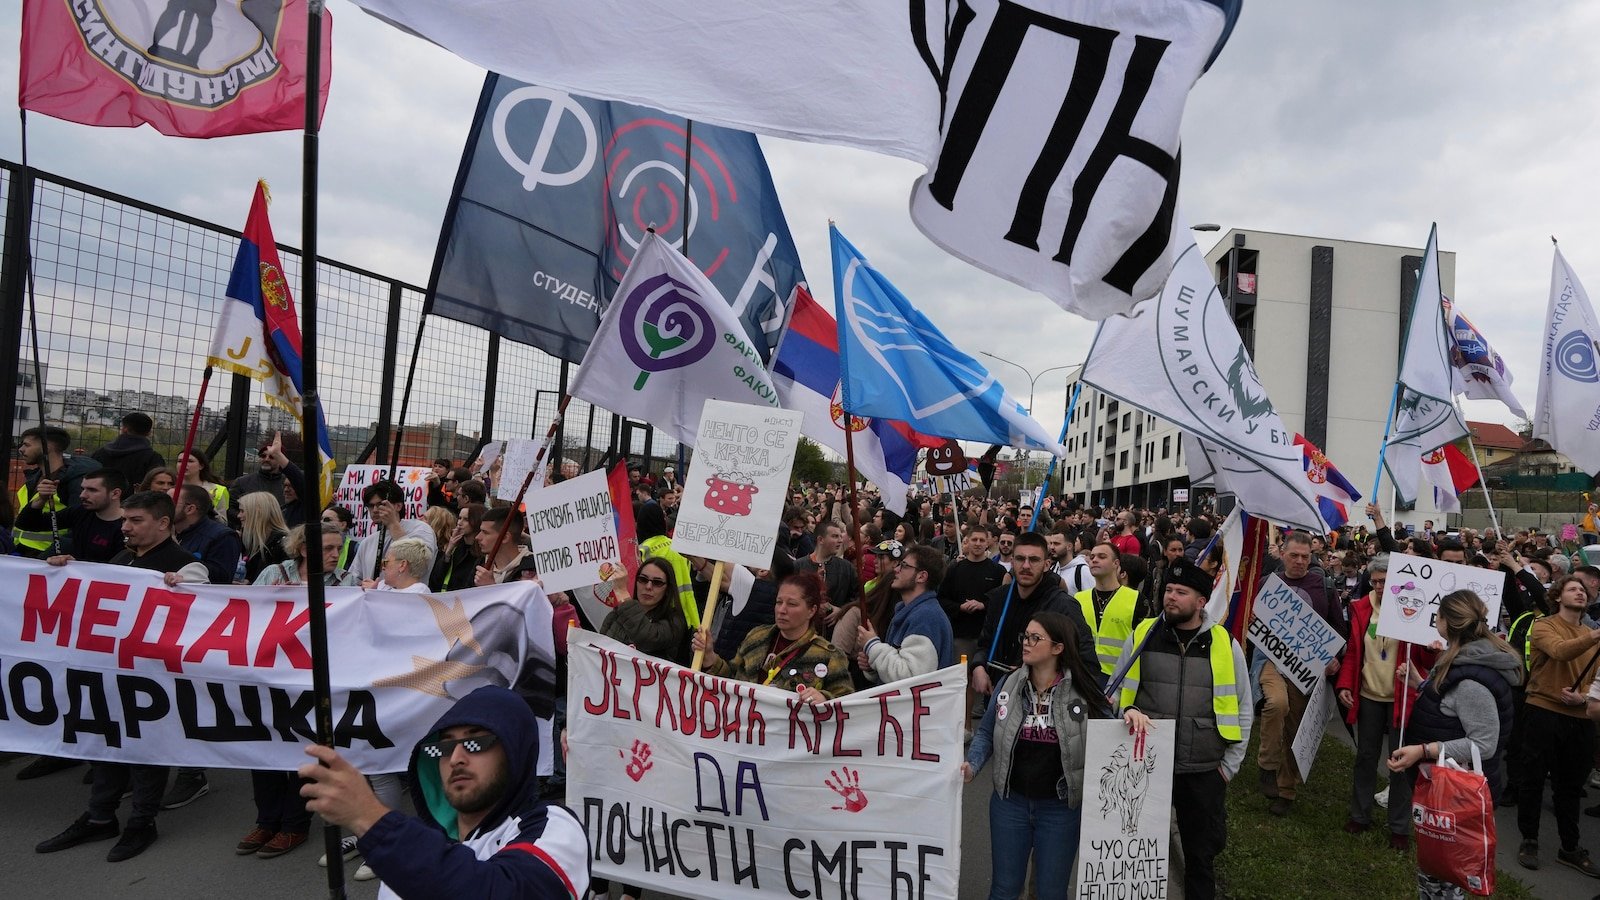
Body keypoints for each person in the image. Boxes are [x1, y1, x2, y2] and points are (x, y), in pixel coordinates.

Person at [35, 491, 208, 862]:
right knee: (106, 746)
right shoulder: (120, 558)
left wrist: (186, 590)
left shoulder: (185, 567)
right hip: (110, 677)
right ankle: (100, 816)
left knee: (147, 753)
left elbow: (205, 617)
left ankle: (141, 823)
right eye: (125, 520)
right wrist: (64, 570)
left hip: (154, 683)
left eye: (135, 521)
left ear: (163, 523)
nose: (125, 527)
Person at [297, 685, 590, 898]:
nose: (456, 758)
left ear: (516, 751)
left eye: (476, 742)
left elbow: (501, 891)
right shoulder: (418, 849)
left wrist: (372, 819)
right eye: (444, 746)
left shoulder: (553, 827)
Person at [1116, 557, 1253, 900]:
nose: (1171, 597)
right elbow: (1118, 691)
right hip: (1147, 767)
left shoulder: (1224, 644)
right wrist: (1127, 709)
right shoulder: (1143, 635)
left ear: (1201, 601)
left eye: (1181, 592)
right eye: (1168, 590)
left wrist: (1227, 769)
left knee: (1200, 858)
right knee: (1142, 855)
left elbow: (1243, 708)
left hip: (1204, 770)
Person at [1389, 590, 1524, 898]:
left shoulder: (1471, 680)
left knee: (1446, 872)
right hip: (1448, 788)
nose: (1435, 621)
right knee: (1439, 867)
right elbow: (1452, 707)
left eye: (1438, 616)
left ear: (1447, 623)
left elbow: (1483, 743)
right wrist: (1419, 682)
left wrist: (1422, 751)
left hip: (1457, 794)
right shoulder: (1467, 659)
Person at [963, 611, 1106, 900]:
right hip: (1009, 804)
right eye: (1025, 636)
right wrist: (972, 765)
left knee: (1050, 892)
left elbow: (1113, 735)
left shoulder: (1083, 692)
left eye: (1035, 638)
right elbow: (987, 732)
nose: (1026, 643)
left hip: (1060, 809)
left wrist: (1132, 714)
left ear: (1058, 648)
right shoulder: (1008, 685)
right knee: (1004, 889)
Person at [237, 526, 344, 860]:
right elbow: (244, 611)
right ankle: (267, 820)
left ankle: (295, 824)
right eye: (326, 548)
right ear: (303, 550)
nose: (334, 554)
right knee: (265, 748)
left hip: (312, 681)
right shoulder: (273, 573)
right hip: (269, 677)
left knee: (302, 752)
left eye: (337, 548)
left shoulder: (348, 582)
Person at [1335, 554, 1435, 850]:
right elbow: (1354, 650)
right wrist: (1344, 683)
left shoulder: (1413, 607)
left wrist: (1429, 650)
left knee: (1400, 762)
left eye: (1385, 580)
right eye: (1375, 580)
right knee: (1366, 757)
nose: (1379, 586)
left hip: (1402, 698)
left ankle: (1399, 827)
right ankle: (1360, 814)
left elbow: (1425, 658)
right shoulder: (1361, 607)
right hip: (1368, 696)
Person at [1516, 574, 1600, 874]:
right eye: (1572, 589)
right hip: (1543, 710)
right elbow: (1560, 651)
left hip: (1579, 719)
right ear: (1557, 596)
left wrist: (1585, 698)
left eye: (1583, 590)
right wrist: (1594, 635)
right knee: (1533, 779)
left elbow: (1597, 680)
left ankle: (1570, 847)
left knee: (1570, 786)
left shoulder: (1592, 635)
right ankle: (1529, 839)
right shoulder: (1544, 626)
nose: (1580, 593)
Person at [1257, 530, 1341, 816]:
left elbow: (1338, 629)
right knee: (1277, 704)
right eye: (1294, 555)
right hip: (1271, 662)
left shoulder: (1324, 586)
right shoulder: (1267, 584)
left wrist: (1335, 657)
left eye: (1306, 557)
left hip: (1306, 670)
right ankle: (1267, 766)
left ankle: (1286, 791)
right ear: (1282, 554)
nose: (1300, 562)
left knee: (1295, 729)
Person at [970, 532, 1101, 699]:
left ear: (1047, 565)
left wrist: (1033, 674)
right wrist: (979, 666)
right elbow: (985, 642)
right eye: (1020, 559)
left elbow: (1086, 663)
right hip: (999, 698)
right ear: (1012, 562)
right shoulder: (999, 598)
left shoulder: (1063, 605)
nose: (1025, 566)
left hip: (1042, 705)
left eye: (1033, 560)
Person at [693, 571, 853, 701]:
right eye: (779, 602)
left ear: (811, 610)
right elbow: (731, 679)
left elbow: (846, 703)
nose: (782, 610)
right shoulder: (756, 637)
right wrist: (709, 657)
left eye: (792, 604)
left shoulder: (829, 656)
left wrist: (824, 698)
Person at [858, 544, 955, 682]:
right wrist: (873, 666)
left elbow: (910, 677)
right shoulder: (910, 611)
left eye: (904, 566)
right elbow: (896, 671)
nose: (896, 569)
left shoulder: (925, 618)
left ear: (921, 576)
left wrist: (872, 645)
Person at [14, 425, 99, 557]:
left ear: (47, 447)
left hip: (51, 557)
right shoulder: (32, 478)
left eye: (27, 445)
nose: (21, 449)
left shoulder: (74, 482)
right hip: (21, 551)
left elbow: (78, 526)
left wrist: (50, 555)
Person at [18, 467, 128, 564]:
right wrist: (41, 499)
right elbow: (27, 524)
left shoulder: (128, 527)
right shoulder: (81, 513)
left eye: (92, 490)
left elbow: (120, 568)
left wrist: (79, 564)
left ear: (115, 493)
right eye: (83, 489)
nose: (82, 495)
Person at [343, 480, 437, 588]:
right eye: (370, 505)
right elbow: (355, 579)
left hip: (406, 602)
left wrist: (393, 524)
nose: (375, 510)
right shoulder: (367, 543)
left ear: (398, 506)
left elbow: (420, 565)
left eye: (380, 505)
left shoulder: (420, 529)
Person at [599, 557, 690, 665]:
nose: (648, 586)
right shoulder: (617, 614)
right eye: (643, 579)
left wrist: (622, 592)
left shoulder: (675, 621)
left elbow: (647, 638)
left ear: (667, 589)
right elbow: (599, 650)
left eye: (657, 582)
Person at [1075, 541, 1144, 676]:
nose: (1094, 560)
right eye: (1092, 557)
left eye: (1102, 557)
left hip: (1119, 679)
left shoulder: (1136, 599)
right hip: (1083, 675)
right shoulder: (1078, 598)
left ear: (1116, 564)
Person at [174, 484, 245, 586]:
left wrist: (176, 551)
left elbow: (220, 580)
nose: (164, 506)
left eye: (172, 502)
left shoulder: (223, 537)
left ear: (190, 509)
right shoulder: (165, 532)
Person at [794, 520, 859, 625]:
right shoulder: (798, 566)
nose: (840, 540)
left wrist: (842, 610)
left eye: (840, 536)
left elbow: (858, 598)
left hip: (834, 631)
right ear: (820, 539)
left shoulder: (846, 568)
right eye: (834, 536)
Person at [90, 412, 165, 487]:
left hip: (102, 497)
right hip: (137, 498)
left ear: (124, 429)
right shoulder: (153, 459)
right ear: (149, 432)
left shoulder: (100, 453)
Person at [238, 491, 290, 583]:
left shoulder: (284, 544)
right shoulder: (249, 542)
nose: (238, 515)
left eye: (242, 511)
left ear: (257, 513)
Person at [473, 506, 531, 586]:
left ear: (505, 537)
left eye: (485, 533)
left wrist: (491, 587)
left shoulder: (531, 568)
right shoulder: (481, 564)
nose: (478, 537)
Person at [435, 502, 485, 592]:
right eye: (459, 518)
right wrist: (448, 552)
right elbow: (436, 578)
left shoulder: (483, 552)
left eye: (466, 519)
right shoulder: (455, 548)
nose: (460, 523)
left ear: (476, 521)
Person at [179, 448, 230, 524]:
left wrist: (210, 507)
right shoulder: (169, 486)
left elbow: (223, 523)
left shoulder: (217, 490)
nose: (183, 464)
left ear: (201, 466)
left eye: (190, 461)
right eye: (180, 461)